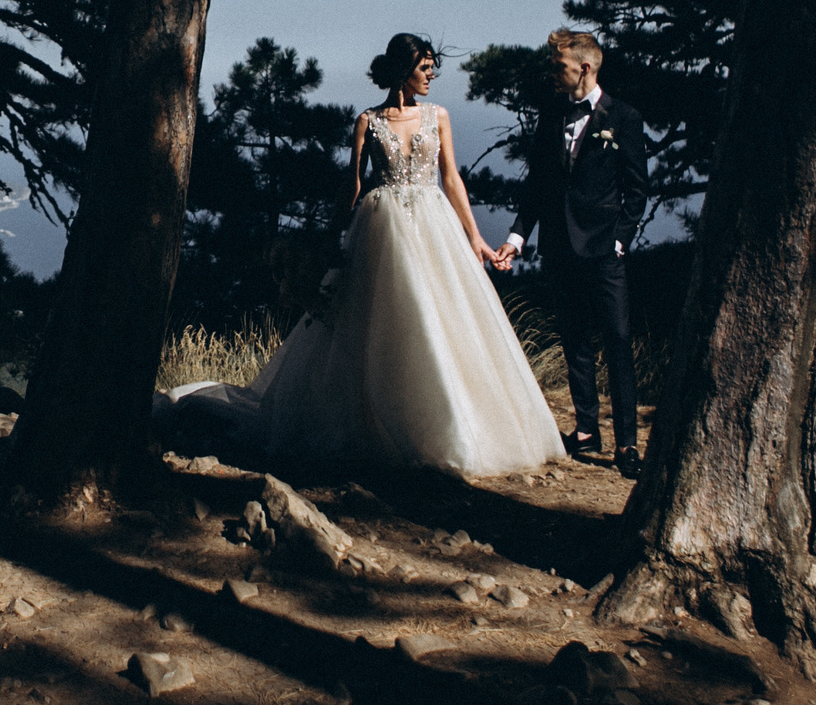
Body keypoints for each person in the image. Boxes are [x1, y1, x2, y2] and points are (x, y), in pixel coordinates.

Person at [237, 33, 565, 476]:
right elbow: (351, 185)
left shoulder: (439, 116)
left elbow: (452, 180)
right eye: (424, 66)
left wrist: (475, 238)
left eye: (433, 67)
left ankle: (451, 429)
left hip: (434, 225)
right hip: (381, 227)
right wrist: (329, 245)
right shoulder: (367, 121)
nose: (431, 75)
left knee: (445, 318)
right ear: (403, 68)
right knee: (382, 322)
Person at [493, 29, 650, 476]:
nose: (552, 72)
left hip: (605, 252)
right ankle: (585, 429)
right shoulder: (550, 116)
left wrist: (620, 240)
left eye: (559, 65)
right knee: (574, 339)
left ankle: (625, 444)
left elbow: (637, 189)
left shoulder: (624, 116)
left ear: (584, 67)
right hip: (559, 249)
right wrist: (517, 238)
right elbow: (538, 186)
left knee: (618, 341)